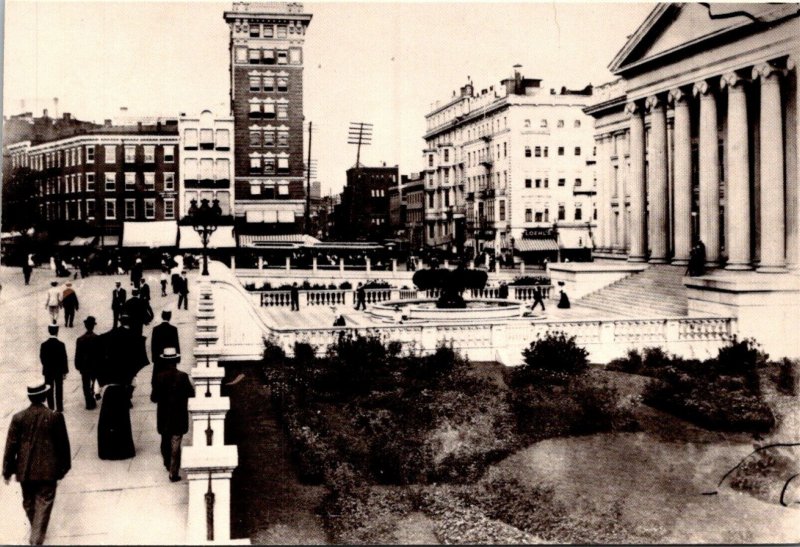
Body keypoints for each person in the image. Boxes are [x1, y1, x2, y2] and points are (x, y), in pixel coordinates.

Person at [3, 383, 71, 545]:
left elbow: (10, 446)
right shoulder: (54, 417)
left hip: (25, 471)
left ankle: (36, 533)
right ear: (45, 397)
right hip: (48, 471)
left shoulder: (18, 418)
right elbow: (63, 446)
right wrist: (62, 469)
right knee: (43, 504)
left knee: (29, 503)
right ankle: (36, 539)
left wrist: (7, 471)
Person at [96, 314, 149, 460]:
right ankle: (123, 450)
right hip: (122, 389)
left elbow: (101, 373)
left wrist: (98, 390)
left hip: (110, 389)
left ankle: (107, 450)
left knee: (107, 422)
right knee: (122, 422)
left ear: (119, 321)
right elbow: (134, 380)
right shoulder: (134, 339)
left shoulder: (108, 337)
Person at [152, 348, 194, 482]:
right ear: (176, 360)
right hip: (178, 414)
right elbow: (191, 394)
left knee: (165, 439)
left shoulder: (159, 377)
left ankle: (166, 462)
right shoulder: (182, 376)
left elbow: (154, 398)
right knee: (176, 441)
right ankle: (173, 471)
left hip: (164, 415)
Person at [150, 310, 180, 402]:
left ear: (162, 316)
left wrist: (154, 358)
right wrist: (178, 357)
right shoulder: (173, 329)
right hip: (171, 356)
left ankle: (157, 395)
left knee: (157, 377)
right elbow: (176, 344)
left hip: (159, 358)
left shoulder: (156, 329)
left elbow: (153, 345)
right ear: (169, 317)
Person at [40, 325, 68, 412]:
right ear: (57, 331)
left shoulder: (44, 345)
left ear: (49, 331)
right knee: (59, 389)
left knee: (49, 389)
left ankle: (50, 407)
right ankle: (59, 407)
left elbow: (42, 358)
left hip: (48, 371)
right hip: (58, 371)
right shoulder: (61, 345)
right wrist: (64, 371)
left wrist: (47, 366)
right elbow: (64, 358)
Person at [75, 316, 100, 410]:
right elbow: (100, 354)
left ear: (85, 326)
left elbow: (77, 355)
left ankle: (88, 402)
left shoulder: (80, 339)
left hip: (84, 366)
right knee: (94, 383)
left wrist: (78, 366)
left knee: (85, 384)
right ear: (93, 326)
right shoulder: (97, 338)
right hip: (95, 365)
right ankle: (92, 398)